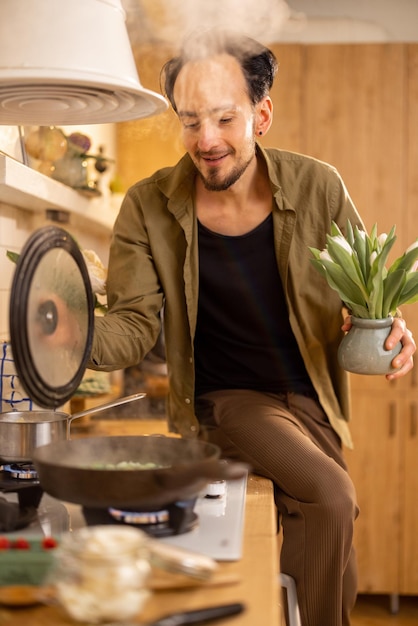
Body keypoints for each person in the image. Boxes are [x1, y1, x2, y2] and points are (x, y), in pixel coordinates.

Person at [88, 30, 416, 626]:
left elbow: (366, 294)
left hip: (314, 404)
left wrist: (392, 332)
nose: (205, 140)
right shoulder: (147, 205)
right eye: (189, 121)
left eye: (224, 119)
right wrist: (71, 336)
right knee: (334, 497)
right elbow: (132, 327)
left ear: (261, 114)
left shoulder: (320, 186)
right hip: (229, 403)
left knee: (335, 557)